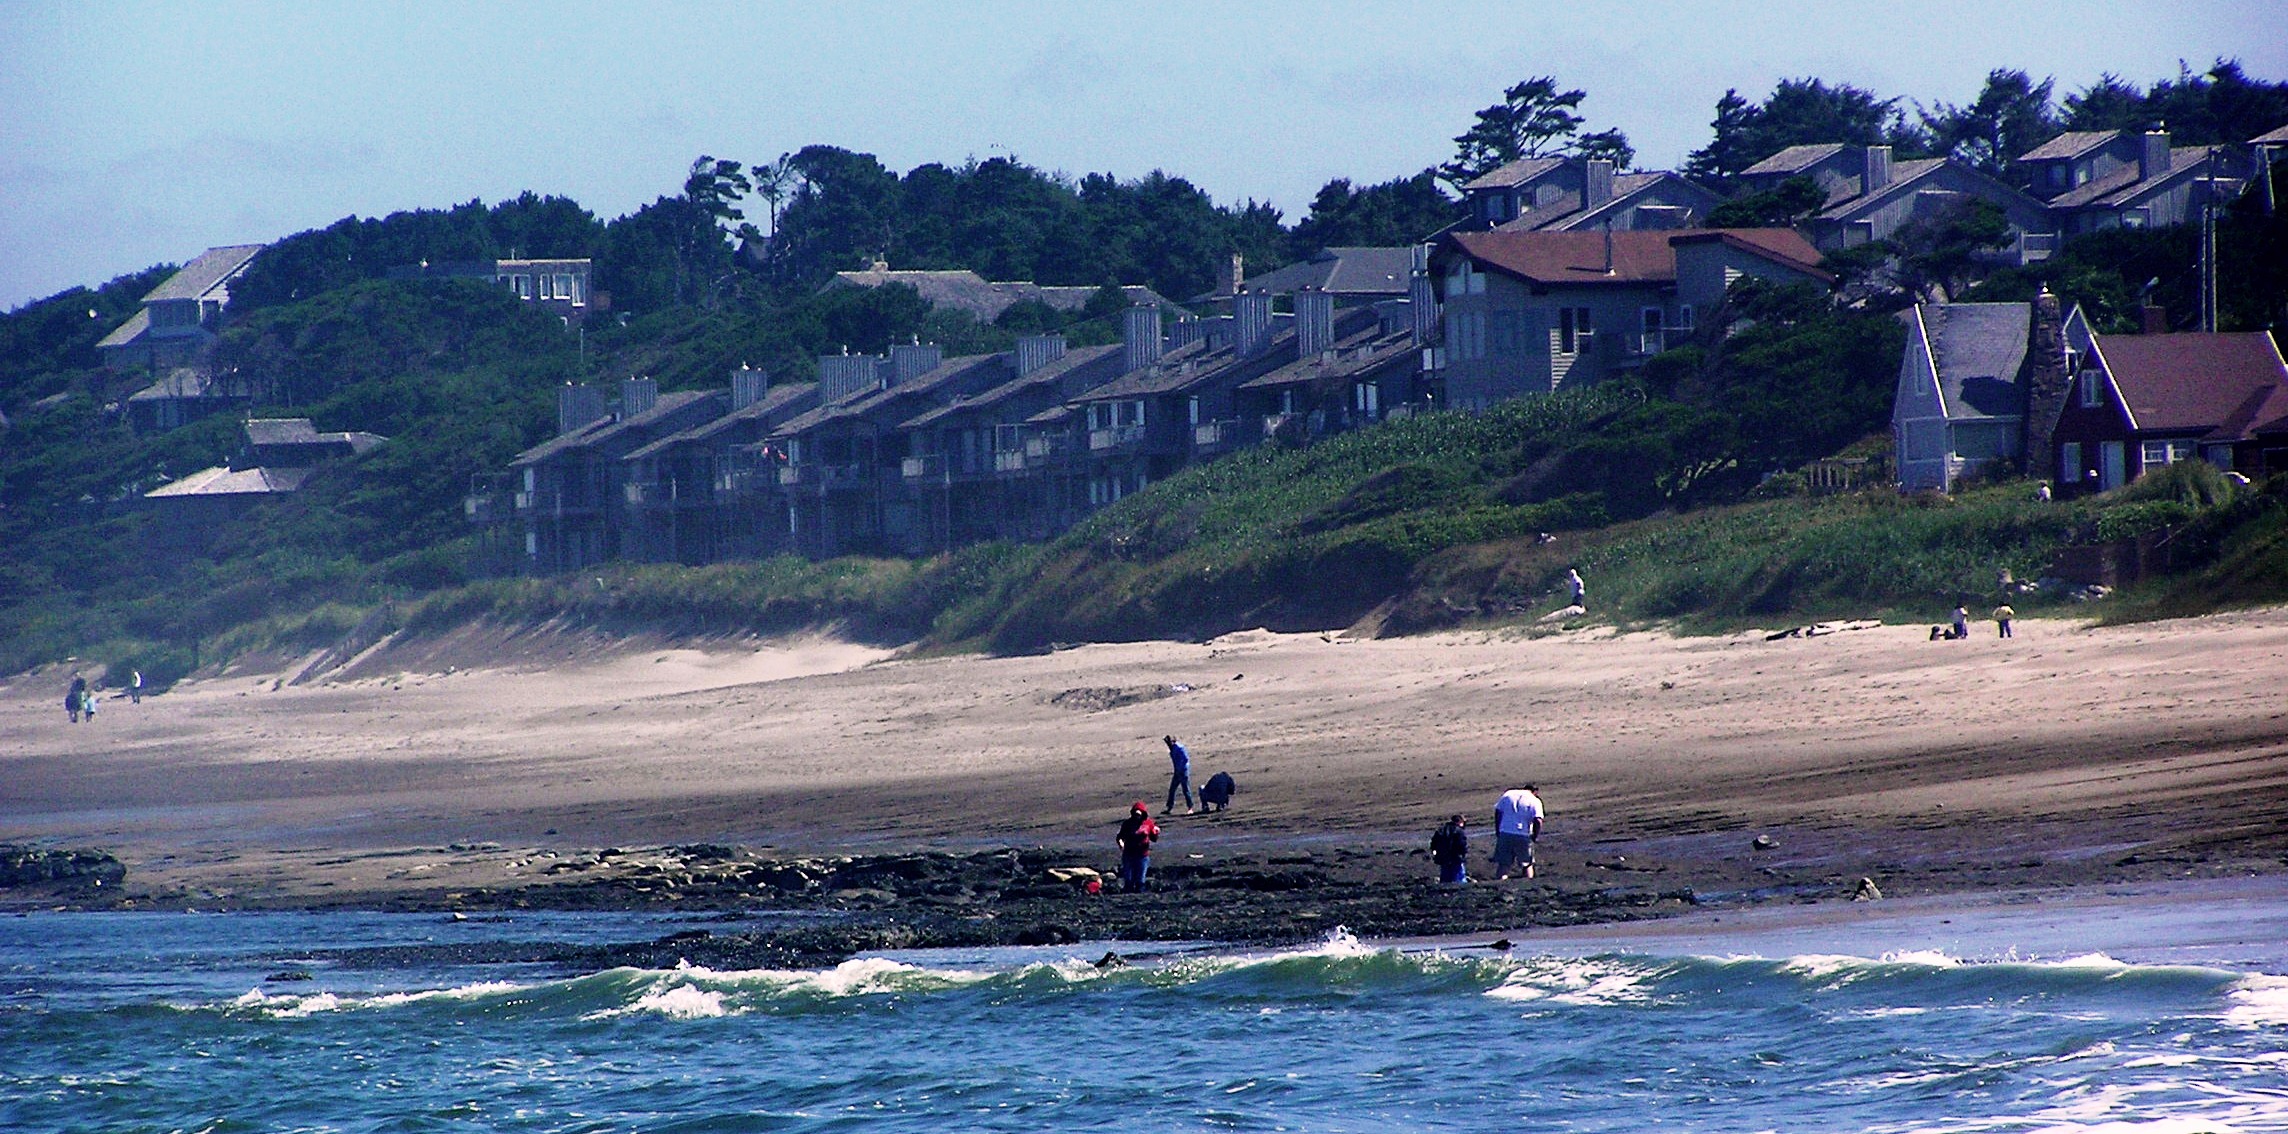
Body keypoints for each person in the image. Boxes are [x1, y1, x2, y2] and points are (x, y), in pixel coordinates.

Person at [1492, 785, 1544, 880]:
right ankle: (1529, 883)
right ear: (1535, 791)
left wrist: (1498, 829)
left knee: (1504, 864)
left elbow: (1498, 812)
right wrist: (1535, 836)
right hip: (1523, 833)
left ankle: (1500, 885)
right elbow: (1538, 820)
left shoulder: (1508, 794)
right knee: (1527, 864)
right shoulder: (1534, 800)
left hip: (1505, 832)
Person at [1116, 802, 1160, 892]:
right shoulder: (1127, 824)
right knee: (1128, 880)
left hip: (1142, 855)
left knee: (1140, 881)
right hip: (1129, 854)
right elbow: (1120, 836)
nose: (1137, 817)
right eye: (1135, 814)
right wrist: (1121, 843)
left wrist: (1156, 832)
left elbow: (1154, 839)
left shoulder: (1148, 823)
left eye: (1139, 815)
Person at [1430, 814, 1470, 885]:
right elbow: (1462, 845)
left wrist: (1435, 853)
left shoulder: (1441, 830)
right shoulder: (1459, 831)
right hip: (1456, 857)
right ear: (1460, 822)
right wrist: (1464, 854)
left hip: (1443, 857)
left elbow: (1433, 843)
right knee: (1459, 877)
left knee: (1445, 876)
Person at [1163, 735, 1194, 815]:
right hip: (1177, 772)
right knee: (1172, 789)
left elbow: (1186, 759)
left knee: (1186, 790)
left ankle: (1190, 808)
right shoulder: (1172, 748)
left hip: (1183, 772)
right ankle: (1169, 807)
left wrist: (1181, 769)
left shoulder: (1180, 748)